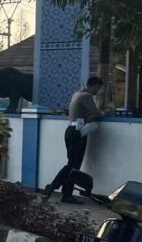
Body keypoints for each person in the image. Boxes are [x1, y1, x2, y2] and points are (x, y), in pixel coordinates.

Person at [43, 76, 105, 204]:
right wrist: (104, 113)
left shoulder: (77, 94)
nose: (98, 91)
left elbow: (85, 113)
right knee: (73, 165)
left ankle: (67, 194)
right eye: (99, 88)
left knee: (73, 165)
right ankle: (52, 186)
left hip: (70, 131)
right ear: (95, 86)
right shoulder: (87, 96)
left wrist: (90, 116)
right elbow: (96, 112)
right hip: (78, 133)